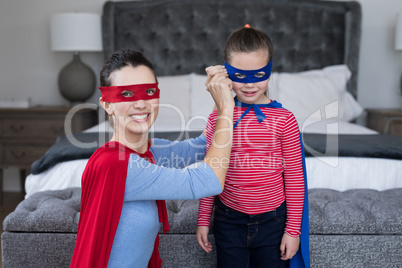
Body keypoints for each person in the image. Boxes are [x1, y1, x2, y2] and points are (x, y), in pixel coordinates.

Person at [70, 49, 235, 268]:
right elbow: (208, 180)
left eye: (148, 91)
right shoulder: (118, 164)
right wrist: (226, 109)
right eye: (127, 94)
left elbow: (201, 146)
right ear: (107, 104)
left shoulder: (148, 152)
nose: (140, 104)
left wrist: (221, 93)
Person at [196, 25, 310, 268]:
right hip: (228, 219)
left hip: (273, 221)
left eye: (258, 75)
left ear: (270, 70)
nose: (249, 85)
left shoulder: (285, 119)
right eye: (240, 76)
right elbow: (209, 172)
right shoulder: (218, 119)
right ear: (226, 74)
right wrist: (204, 219)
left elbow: (294, 176)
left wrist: (293, 231)